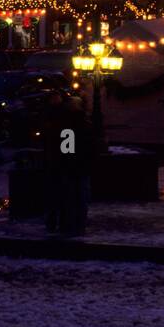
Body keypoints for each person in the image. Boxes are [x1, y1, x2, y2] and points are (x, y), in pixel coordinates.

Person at [41, 90, 93, 236]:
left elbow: (67, 149)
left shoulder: (67, 125)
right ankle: (77, 226)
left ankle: (68, 226)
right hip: (78, 167)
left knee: (67, 198)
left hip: (69, 168)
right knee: (78, 199)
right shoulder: (83, 123)